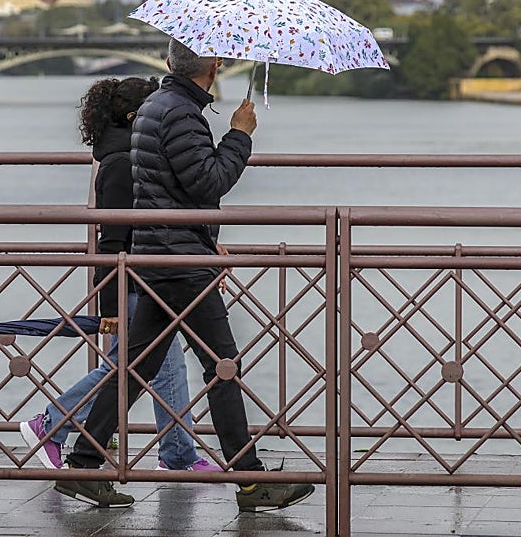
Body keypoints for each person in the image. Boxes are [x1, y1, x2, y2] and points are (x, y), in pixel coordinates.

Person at [54, 39, 315, 512]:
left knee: (135, 368)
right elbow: (207, 182)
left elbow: (170, 185)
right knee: (223, 367)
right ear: (213, 67)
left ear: (170, 62)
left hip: (157, 254)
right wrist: (239, 135)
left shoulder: (157, 104)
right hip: (182, 262)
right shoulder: (180, 113)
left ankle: (84, 464)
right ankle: (251, 481)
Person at [19, 76, 219, 472]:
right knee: (133, 368)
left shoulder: (126, 157)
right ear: (134, 117)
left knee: (152, 365)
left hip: (147, 275)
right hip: (133, 280)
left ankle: (176, 454)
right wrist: (109, 302)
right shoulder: (122, 164)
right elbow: (113, 238)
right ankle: (53, 422)